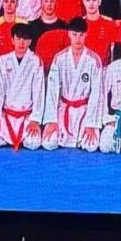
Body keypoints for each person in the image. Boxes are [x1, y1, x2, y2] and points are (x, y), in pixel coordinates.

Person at [41, 17, 102, 152]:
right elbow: (52, 91)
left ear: (86, 35)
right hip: (64, 108)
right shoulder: (59, 58)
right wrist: (51, 121)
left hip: (84, 111)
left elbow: (97, 94)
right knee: (48, 143)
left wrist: (91, 123)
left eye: (81, 35)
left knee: (90, 146)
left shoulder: (94, 60)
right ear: (69, 34)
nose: (77, 39)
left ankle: (85, 129)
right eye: (74, 35)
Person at [0, 23, 44, 150]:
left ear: (29, 42)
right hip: (7, 114)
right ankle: (8, 136)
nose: (21, 43)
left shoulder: (35, 61)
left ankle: (19, 137)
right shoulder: (4, 60)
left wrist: (35, 120)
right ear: (12, 40)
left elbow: (38, 92)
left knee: (33, 143)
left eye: (25, 39)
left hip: (27, 115)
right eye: (18, 38)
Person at [29, 0, 70, 72]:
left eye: (52, 1)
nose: (49, 4)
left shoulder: (64, 26)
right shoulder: (32, 26)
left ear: (56, 3)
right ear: (41, 3)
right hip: (38, 69)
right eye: (46, 1)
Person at [80, 0, 119, 64]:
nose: (91, 4)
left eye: (94, 0)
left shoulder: (109, 23)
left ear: (99, 1)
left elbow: (113, 50)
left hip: (105, 68)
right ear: (83, 2)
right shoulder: (80, 24)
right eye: (88, 0)